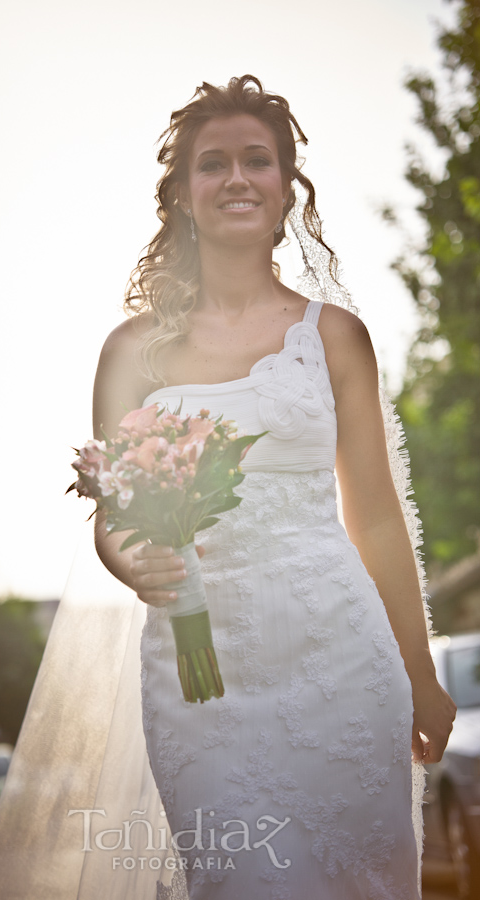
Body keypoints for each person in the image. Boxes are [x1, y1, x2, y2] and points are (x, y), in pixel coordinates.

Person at [91, 75, 456, 899]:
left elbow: (376, 519)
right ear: (181, 195)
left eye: (257, 161)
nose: (235, 179)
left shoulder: (334, 339)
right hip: (199, 673)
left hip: (338, 662)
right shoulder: (129, 353)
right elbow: (113, 510)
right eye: (211, 164)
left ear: (287, 189)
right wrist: (125, 560)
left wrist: (417, 671)